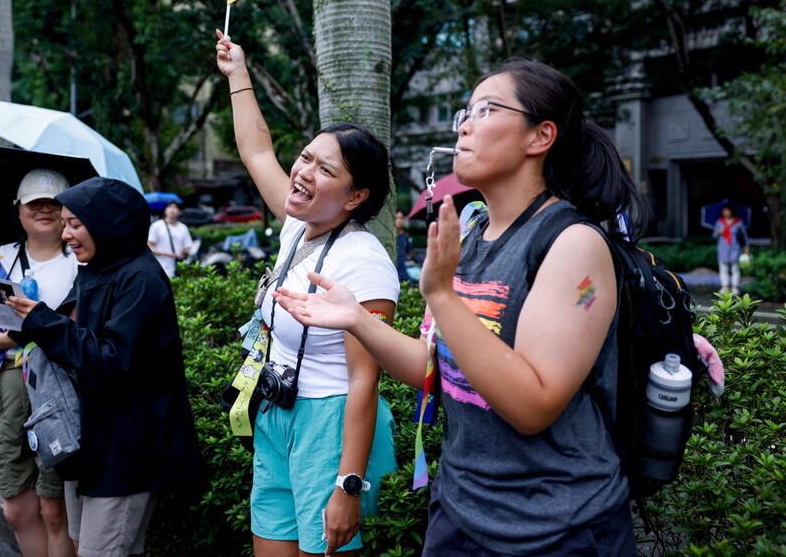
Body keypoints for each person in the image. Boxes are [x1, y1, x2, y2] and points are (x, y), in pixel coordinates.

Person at [274, 60, 644, 555]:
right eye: (464, 113)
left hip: (557, 528)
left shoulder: (573, 244)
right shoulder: (472, 239)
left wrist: (443, 296)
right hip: (459, 512)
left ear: (540, 136)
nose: (464, 126)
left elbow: (533, 407)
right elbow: (432, 369)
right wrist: (356, 319)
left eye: (486, 110)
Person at [216, 30, 399, 556]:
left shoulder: (363, 261)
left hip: (329, 425)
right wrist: (238, 74)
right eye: (305, 158)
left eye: (325, 169)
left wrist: (348, 485)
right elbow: (256, 151)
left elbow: (365, 380)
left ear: (355, 197)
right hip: (276, 412)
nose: (302, 172)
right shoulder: (299, 226)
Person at [5, 176, 205, 557]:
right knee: (85, 545)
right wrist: (24, 320)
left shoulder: (141, 279)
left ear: (107, 224)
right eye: (65, 224)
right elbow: (75, 338)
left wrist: (44, 323)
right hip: (90, 440)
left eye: (75, 224)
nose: (66, 234)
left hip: (127, 449)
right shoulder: (94, 268)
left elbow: (113, 361)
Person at [0, 168, 77, 557]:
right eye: (35, 203)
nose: (45, 210)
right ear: (19, 210)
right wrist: (17, 336)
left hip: (62, 384)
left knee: (54, 509)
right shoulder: (2, 260)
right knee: (17, 508)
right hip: (13, 382)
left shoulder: (81, 257)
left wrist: (48, 331)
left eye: (54, 203)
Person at [147, 200, 193, 278]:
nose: (172, 209)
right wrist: (166, 254)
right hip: (160, 268)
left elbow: (189, 247)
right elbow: (149, 246)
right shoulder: (157, 226)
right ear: (165, 210)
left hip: (177, 269)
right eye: (170, 207)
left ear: (179, 212)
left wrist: (185, 251)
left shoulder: (183, 228)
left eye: (175, 207)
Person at [714, 205, 749, 294]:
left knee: (735, 268)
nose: (726, 212)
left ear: (732, 211)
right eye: (724, 211)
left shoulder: (738, 222)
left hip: (735, 248)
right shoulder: (719, 222)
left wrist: (746, 247)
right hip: (723, 249)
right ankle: (725, 287)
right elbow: (714, 235)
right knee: (723, 268)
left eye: (727, 210)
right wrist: (719, 232)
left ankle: (735, 287)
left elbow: (744, 236)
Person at [395, 210, 412, 284]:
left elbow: (408, 251)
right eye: (397, 218)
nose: (399, 220)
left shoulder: (405, 236)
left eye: (401, 218)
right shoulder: (390, 237)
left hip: (403, 269)